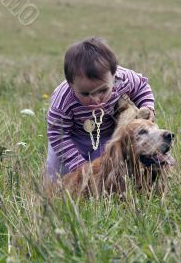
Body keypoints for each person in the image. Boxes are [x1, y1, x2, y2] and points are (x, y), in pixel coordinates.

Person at [45, 37, 155, 182]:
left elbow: (142, 87)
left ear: (114, 76)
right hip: (72, 138)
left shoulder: (123, 79)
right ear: (71, 84)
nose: (96, 99)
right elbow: (57, 133)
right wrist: (78, 166)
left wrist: (147, 106)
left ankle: (108, 195)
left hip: (107, 136)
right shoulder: (63, 100)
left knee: (107, 172)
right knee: (58, 178)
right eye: (85, 94)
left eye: (102, 90)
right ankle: (55, 193)